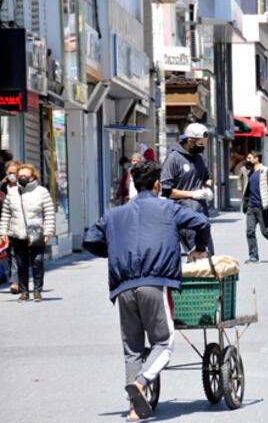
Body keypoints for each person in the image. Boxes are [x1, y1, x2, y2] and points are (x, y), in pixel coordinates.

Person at [83, 161, 211, 421]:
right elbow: (201, 221)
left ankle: (134, 409)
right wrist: (198, 248)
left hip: (123, 287)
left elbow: (89, 241)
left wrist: (114, 251)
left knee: (132, 349)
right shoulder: (168, 207)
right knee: (163, 342)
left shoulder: (114, 214)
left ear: (133, 183)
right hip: (155, 283)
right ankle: (141, 382)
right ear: (156, 185)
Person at [0, 164, 55, 302]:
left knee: (37, 262)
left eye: (26, 176)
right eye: (20, 176)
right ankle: (24, 292)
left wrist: (48, 232)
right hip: (18, 233)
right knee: (21, 263)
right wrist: (3, 232)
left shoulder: (42, 192)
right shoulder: (12, 192)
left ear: (33, 177)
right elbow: (6, 213)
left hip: (36, 232)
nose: (22, 178)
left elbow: (49, 213)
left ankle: (37, 290)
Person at [160, 123, 214, 254]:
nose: (202, 146)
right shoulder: (173, 159)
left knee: (208, 255)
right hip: (184, 215)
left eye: (204, 142)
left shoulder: (200, 159)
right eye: (200, 143)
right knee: (197, 257)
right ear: (190, 141)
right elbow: (167, 191)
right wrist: (192, 194)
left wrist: (207, 189)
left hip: (202, 215)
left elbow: (208, 177)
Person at [241, 151, 268, 263]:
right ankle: (254, 256)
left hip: (262, 207)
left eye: (250, 158)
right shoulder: (250, 172)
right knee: (250, 231)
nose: (248, 160)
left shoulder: (266, 171)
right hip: (251, 206)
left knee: (266, 232)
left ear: (256, 158)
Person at [2, 160, 21, 294]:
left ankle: (15, 281)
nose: (11, 175)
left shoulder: (24, 187)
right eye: (9, 173)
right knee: (6, 253)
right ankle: (14, 277)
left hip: (19, 224)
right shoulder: (2, 186)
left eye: (14, 173)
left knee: (15, 253)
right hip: (4, 223)